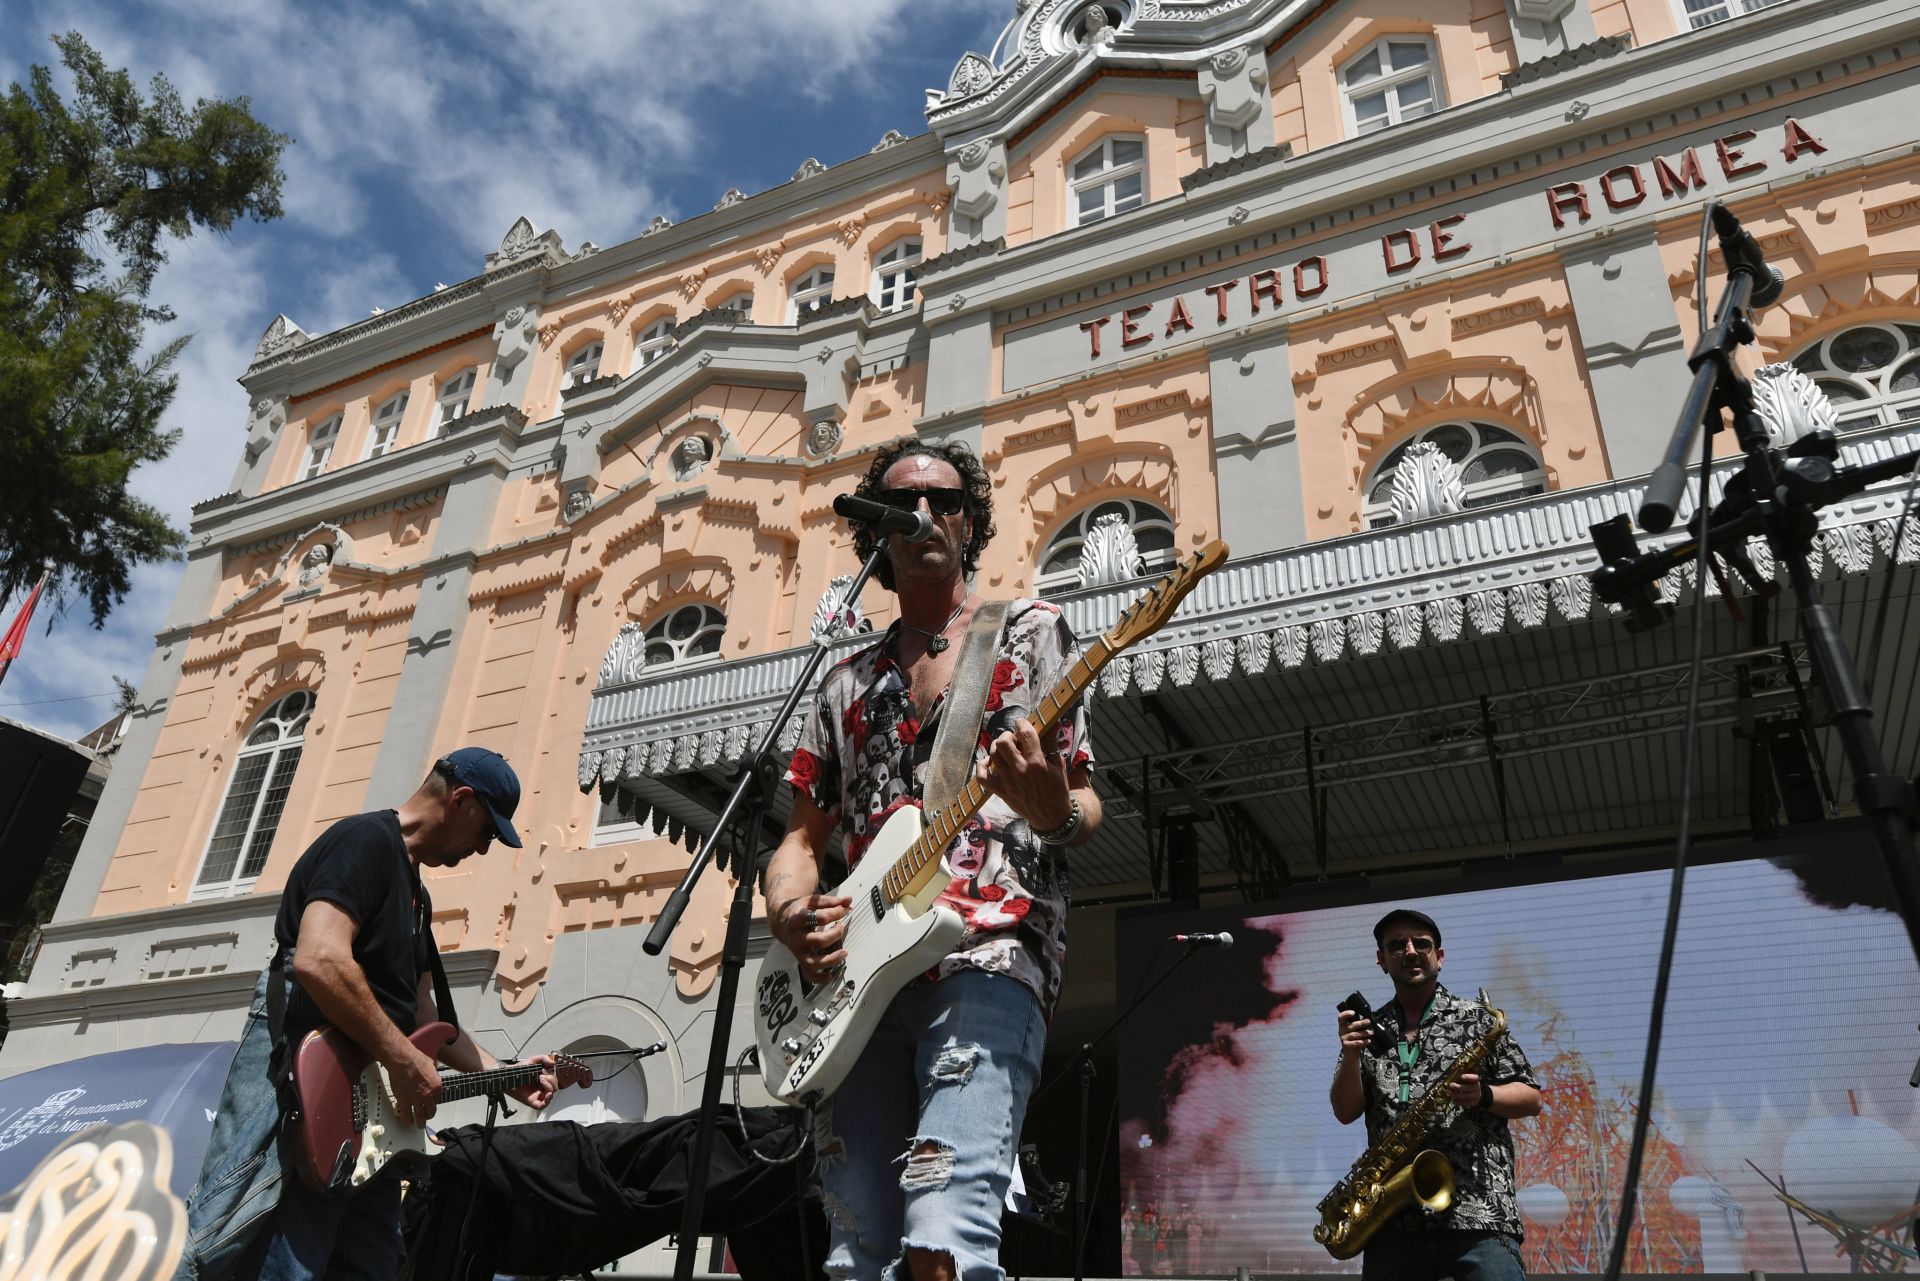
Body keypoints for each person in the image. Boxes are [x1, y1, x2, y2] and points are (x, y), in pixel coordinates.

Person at [764, 436, 1101, 1281]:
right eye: (903, 502)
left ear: (969, 523)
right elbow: (801, 839)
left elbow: (1086, 803)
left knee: (942, 1234)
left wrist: (1051, 808)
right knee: (855, 1251)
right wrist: (791, 911)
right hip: (858, 983)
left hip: (988, 949)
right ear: (874, 532)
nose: (925, 514)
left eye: (945, 500)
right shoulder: (842, 681)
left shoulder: (1029, 633)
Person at [177, 748, 578, 1281]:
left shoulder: (417, 895)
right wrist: (403, 1060)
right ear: (461, 801)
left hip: (368, 1122)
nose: (483, 849)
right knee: (231, 1241)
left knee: (368, 1267)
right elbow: (319, 958)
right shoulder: (365, 841)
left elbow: (422, 1015)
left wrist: (506, 1074)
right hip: (303, 1079)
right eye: (487, 832)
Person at [1329, 908, 1542, 1281]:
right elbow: (1345, 1111)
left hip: (1479, 1217)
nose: (1410, 951)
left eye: (1422, 944)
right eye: (1397, 945)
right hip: (1394, 1225)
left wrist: (1485, 1096)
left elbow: (1531, 1098)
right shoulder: (1366, 1031)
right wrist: (1350, 1053)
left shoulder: (1480, 1020)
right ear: (1382, 960)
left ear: (1439, 957)